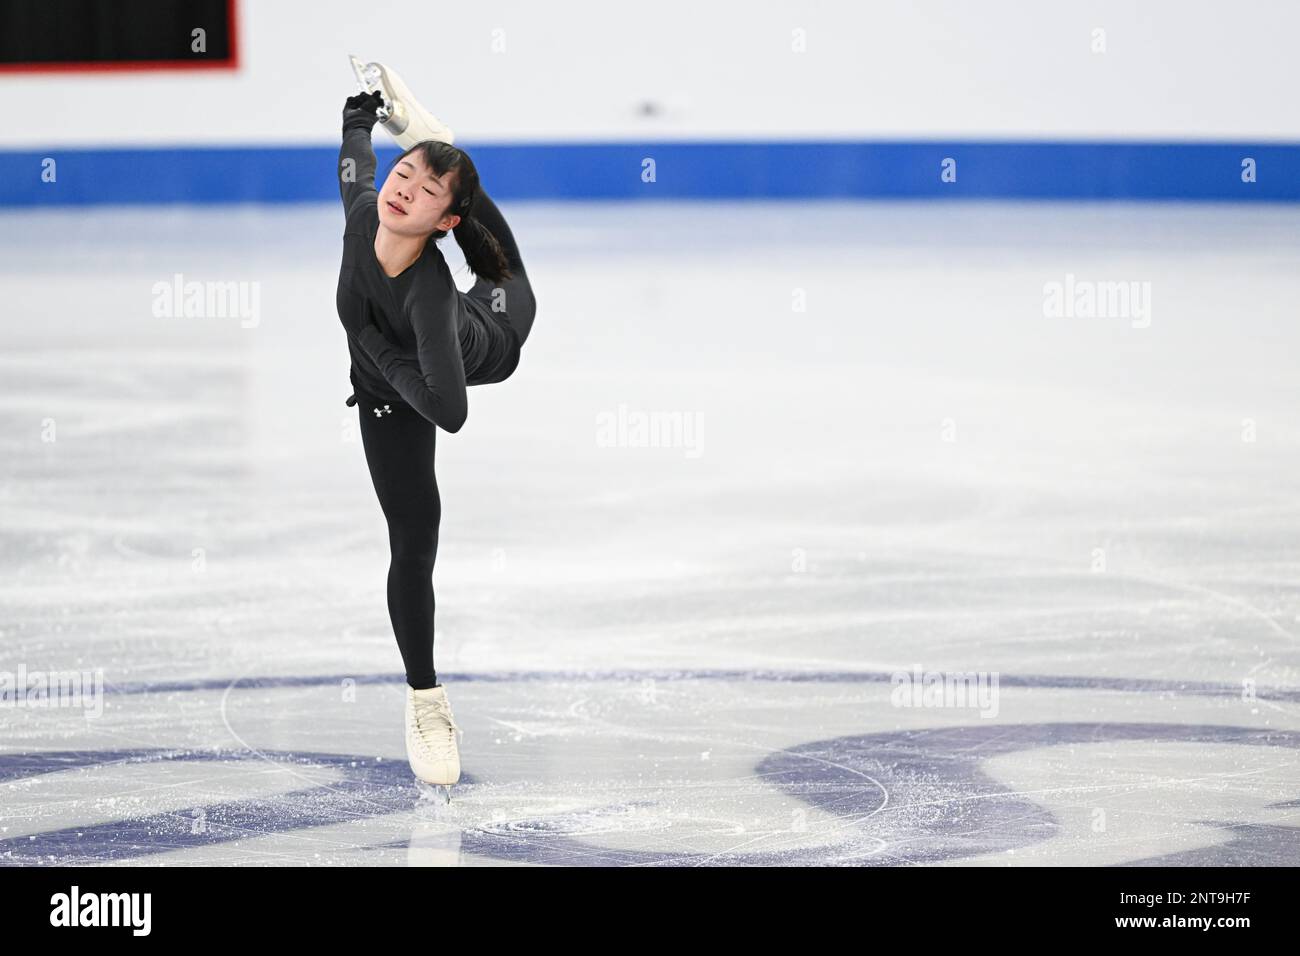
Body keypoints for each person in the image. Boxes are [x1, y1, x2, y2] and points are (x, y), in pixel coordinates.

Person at [336, 85, 537, 798]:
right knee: (410, 541)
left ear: (440, 222)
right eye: (404, 175)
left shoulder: (427, 292)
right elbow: (358, 169)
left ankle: (428, 707)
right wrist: (357, 121)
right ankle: (425, 699)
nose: (402, 191)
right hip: (392, 394)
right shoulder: (367, 210)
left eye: (424, 192)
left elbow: (450, 411)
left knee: (505, 268)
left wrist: (376, 354)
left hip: (493, 332)